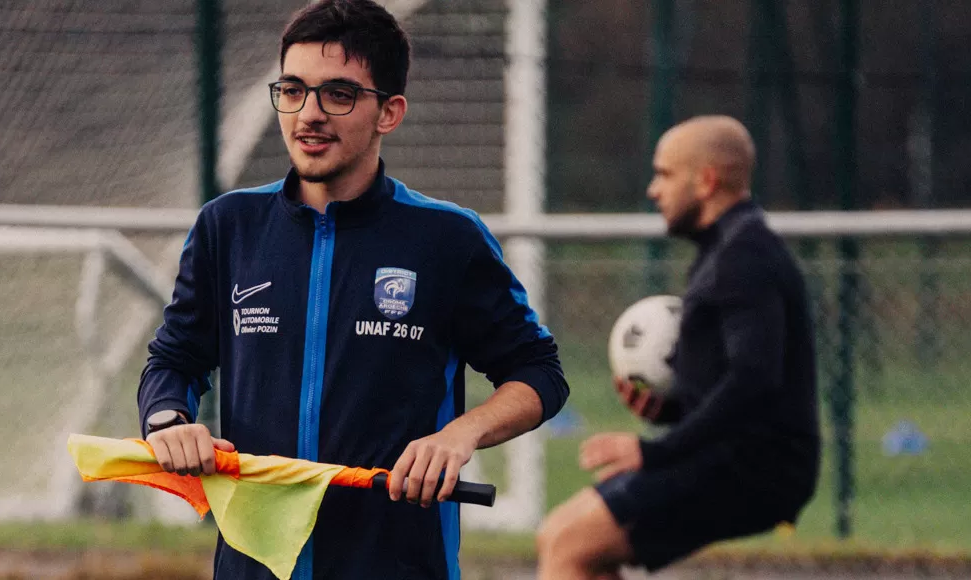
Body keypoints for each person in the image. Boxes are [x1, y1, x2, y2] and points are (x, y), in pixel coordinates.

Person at [134, 1, 569, 578]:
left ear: (390, 112)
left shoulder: (447, 238)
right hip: (255, 567)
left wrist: (459, 436)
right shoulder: (228, 226)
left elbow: (540, 373)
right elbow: (174, 359)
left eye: (338, 94)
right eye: (292, 90)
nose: (308, 114)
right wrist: (167, 419)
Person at [533, 115, 820, 579]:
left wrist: (654, 452)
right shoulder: (727, 249)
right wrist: (667, 411)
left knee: (571, 543)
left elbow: (755, 380)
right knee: (561, 536)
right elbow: (732, 383)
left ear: (706, 181)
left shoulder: (745, 255)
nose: (653, 190)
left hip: (753, 466)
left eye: (665, 174)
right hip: (729, 455)